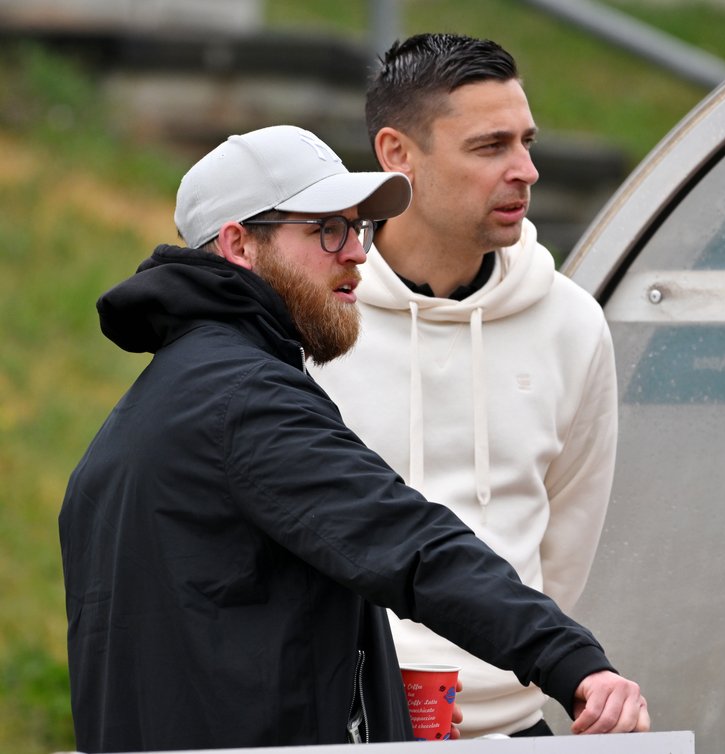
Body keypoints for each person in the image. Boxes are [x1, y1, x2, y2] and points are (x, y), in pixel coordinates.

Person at [58, 124, 647, 753]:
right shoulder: (245, 400)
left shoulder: (156, 406)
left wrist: (387, 705)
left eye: (357, 228)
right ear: (239, 244)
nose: (357, 254)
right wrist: (569, 658)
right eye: (327, 230)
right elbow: (408, 542)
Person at [310, 34, 620, 739]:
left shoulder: (572, 322)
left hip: (517, 722)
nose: (526, 170)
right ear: (397, 154)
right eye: (490, 147)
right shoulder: (315, 320)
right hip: (349, 724)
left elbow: (567, 541)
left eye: (527, 142)